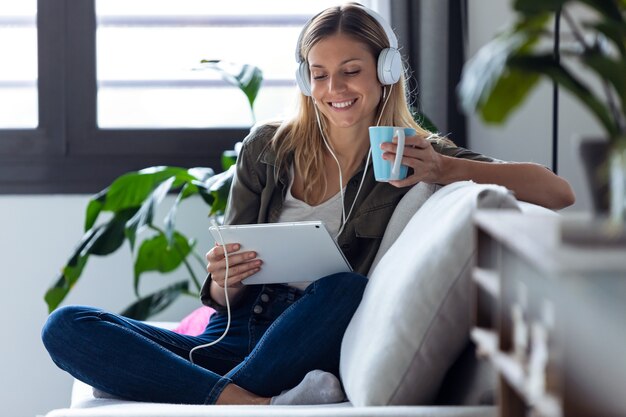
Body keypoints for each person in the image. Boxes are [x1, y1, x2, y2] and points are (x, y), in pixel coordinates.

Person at [41, 2, 575, 407]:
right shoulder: (267, 148)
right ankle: (243, 404)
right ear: (305, 79)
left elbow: (557, 192)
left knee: (343, 288)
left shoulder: (413, 152)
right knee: (65, 325)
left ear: (384, 71)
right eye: (318, 73)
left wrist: (447, 167)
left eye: (350, 70)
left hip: (305, 334)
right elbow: (223, 288)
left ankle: (214, 397)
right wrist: (222, 282)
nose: (333, 87)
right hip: (232, 334)